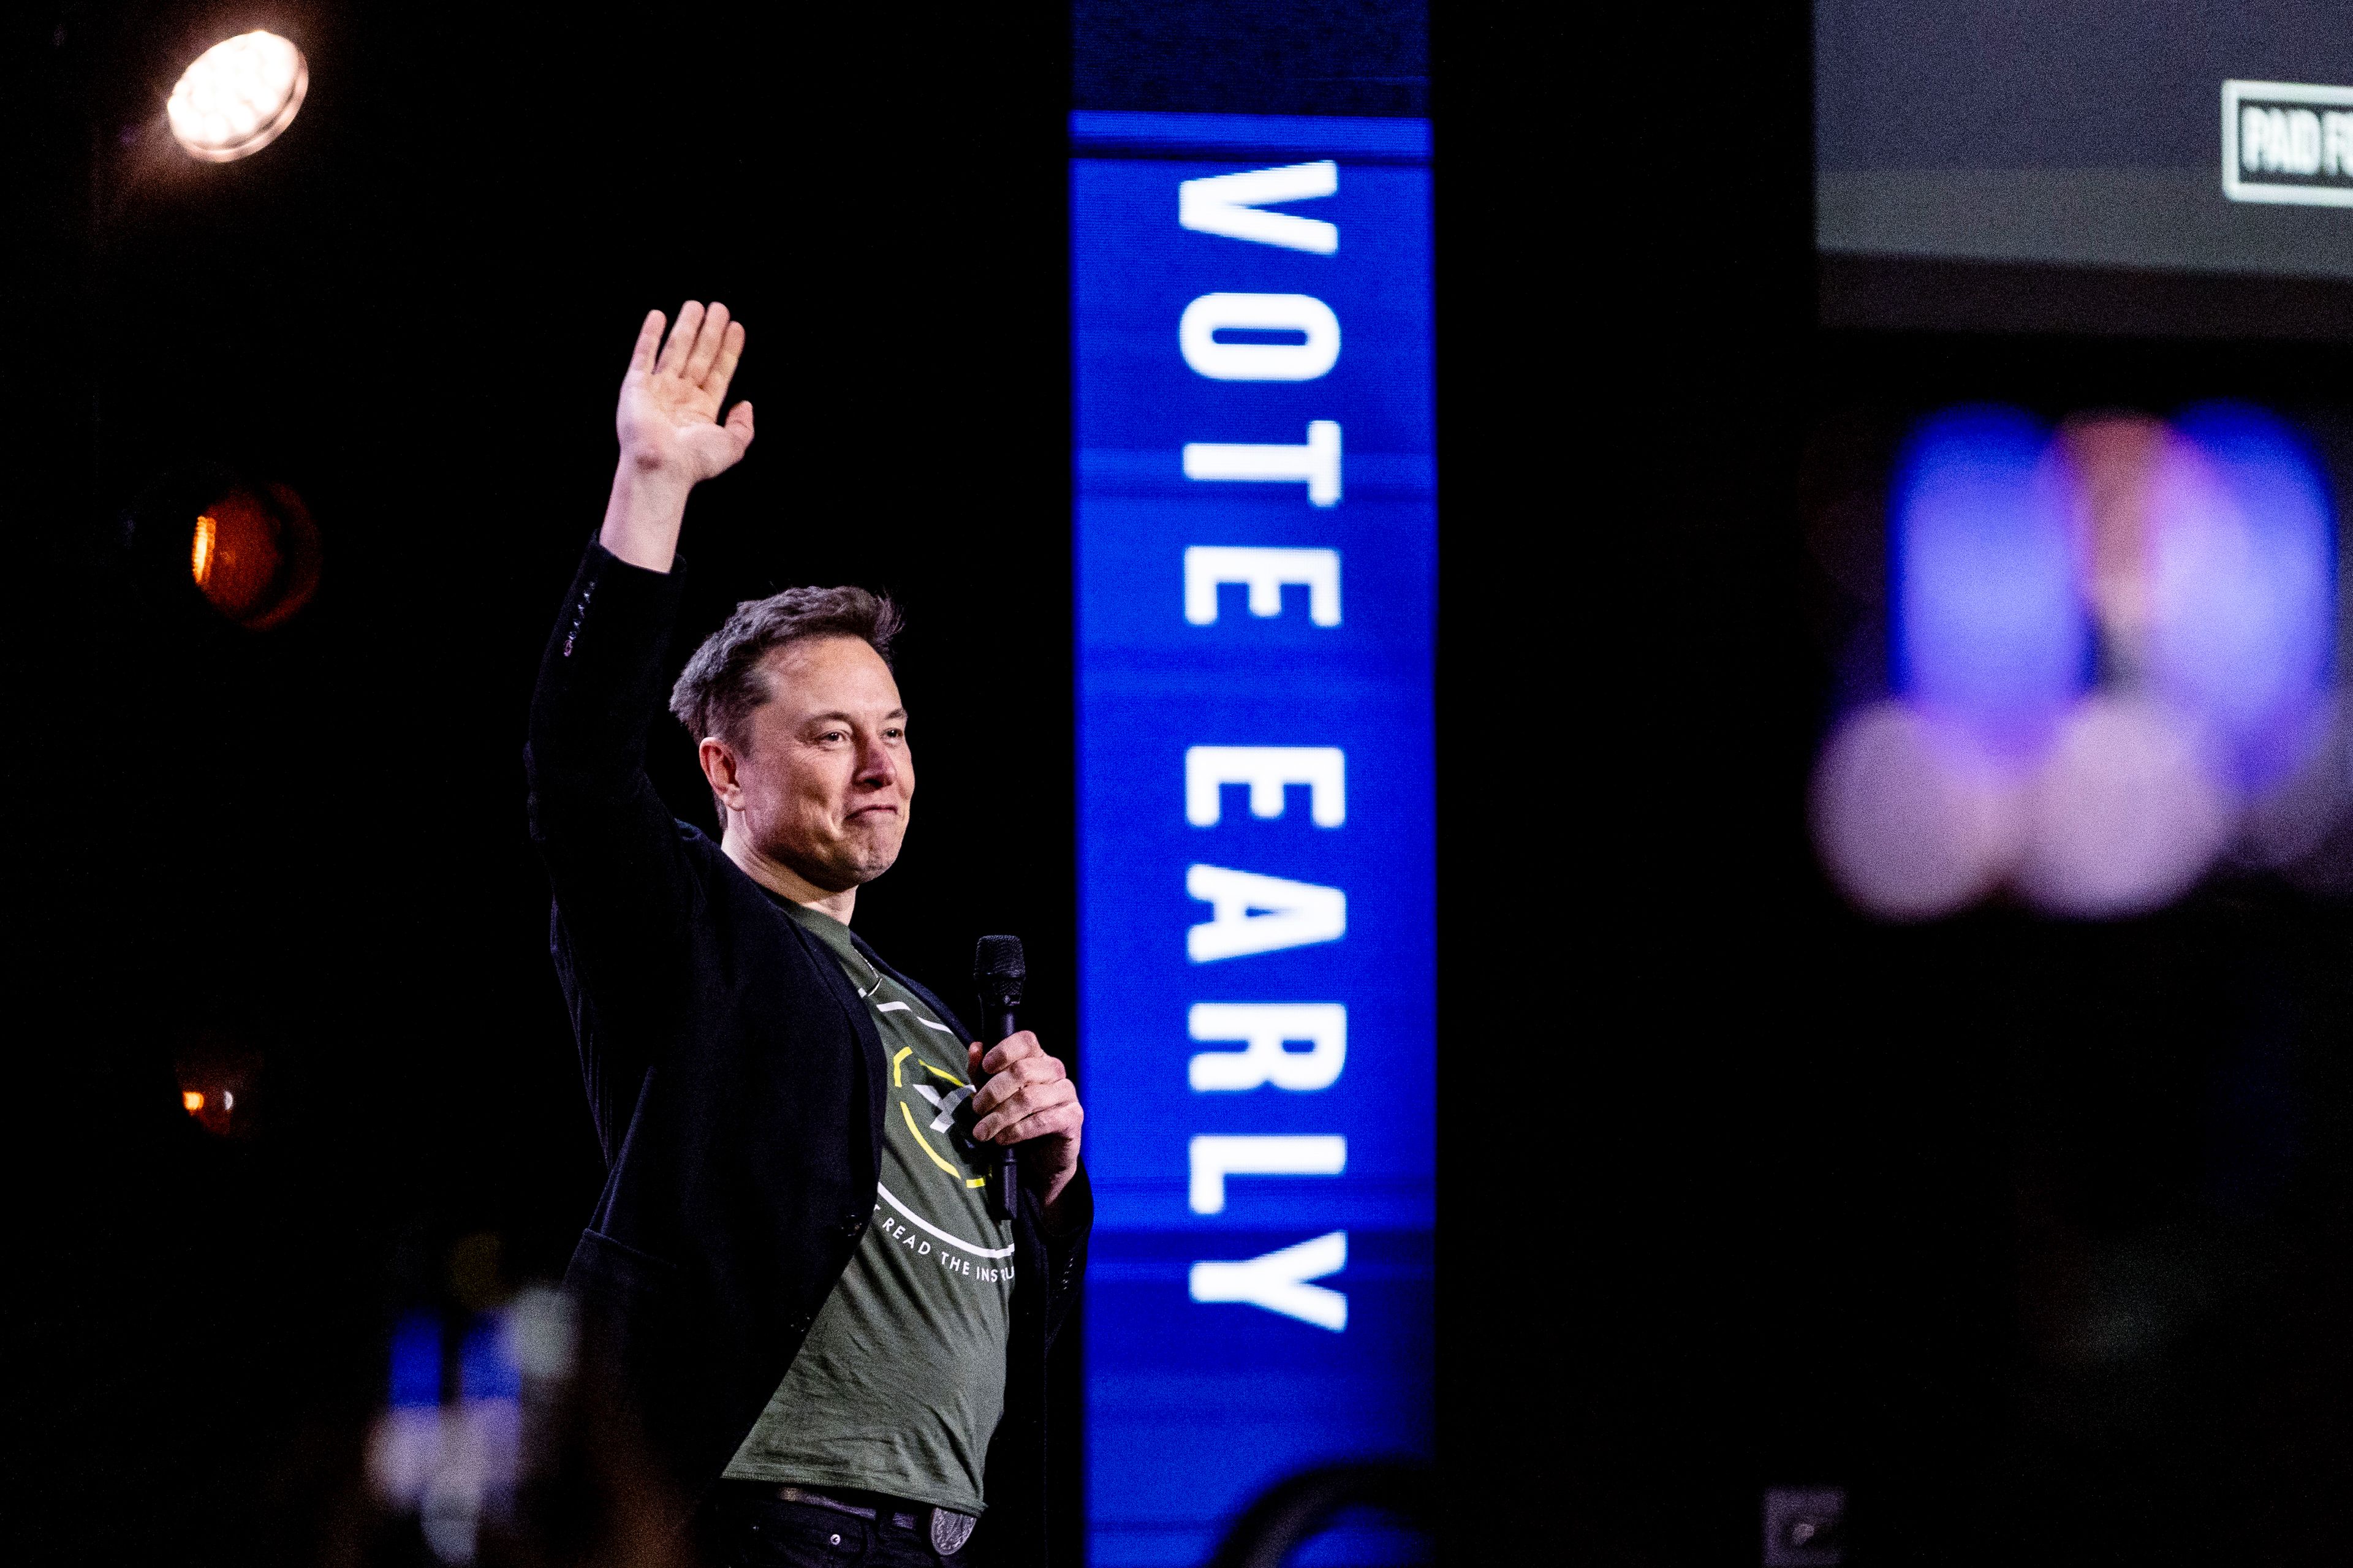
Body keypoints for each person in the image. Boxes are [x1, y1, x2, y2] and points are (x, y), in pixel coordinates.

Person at [525, 301, 1091, 1566]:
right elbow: (576, 766)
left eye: (894, 731)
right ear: (724, 766)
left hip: (933, 1536)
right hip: (765, 1517)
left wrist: (1053, 1188)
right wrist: (651, 482)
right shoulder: (694, 932)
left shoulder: (927, 1012)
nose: (881, 766)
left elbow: (990, 1313)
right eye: (833, 735)